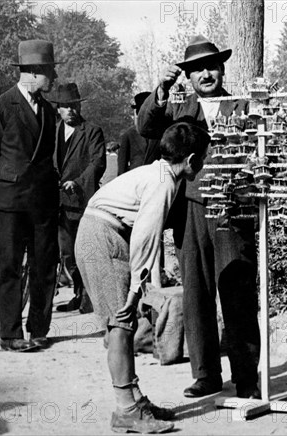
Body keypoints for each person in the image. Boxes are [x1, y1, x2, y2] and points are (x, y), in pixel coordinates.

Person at [138, 35, 261, 399]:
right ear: (188, 77)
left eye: (211, 67)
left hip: (232, 210)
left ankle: (246, 378)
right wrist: (161, 87)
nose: (205, 74)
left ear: (222, 70)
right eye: (196, 70)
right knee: (196, 293)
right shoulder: (179, 111)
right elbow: (146, 126)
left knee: (237, 292)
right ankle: (206, 374)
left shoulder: (243, 107)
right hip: (190, 210)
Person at [74, 122, 210, 434]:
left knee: (124, 324)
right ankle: (126, 411)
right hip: (101, 237)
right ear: (190, 160)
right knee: (120, 325)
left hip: (107, 235)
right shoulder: (162, 183)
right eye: (202, 157)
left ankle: (135, 401)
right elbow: (145, 240)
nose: (202, 163)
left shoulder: (160, 173)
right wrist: (137, 291)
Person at [0, 39, 60, 352]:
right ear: (35, 72)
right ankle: (10, 335)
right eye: (51, 71)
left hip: (43, 203)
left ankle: (38, 329)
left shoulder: (49, 112)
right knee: (10, 267)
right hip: (10, 202)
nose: (55, 78)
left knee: (44, 267)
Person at [52, 83, 106, 313]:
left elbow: (98, 162)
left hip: (81, 200)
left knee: (84, 249)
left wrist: (79, 183)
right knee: (67, 254)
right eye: (65, 106)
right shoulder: (53, 131)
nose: (70, 110)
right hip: (56, 202)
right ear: (59, 109)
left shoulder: (91, 131)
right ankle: (78, 292)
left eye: (73, 106)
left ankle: (87, 296)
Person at [118, 92, 153, 175]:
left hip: (156, 181)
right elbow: (122, 165)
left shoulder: (161, 133)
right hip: (136, 180)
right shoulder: (129, 135)